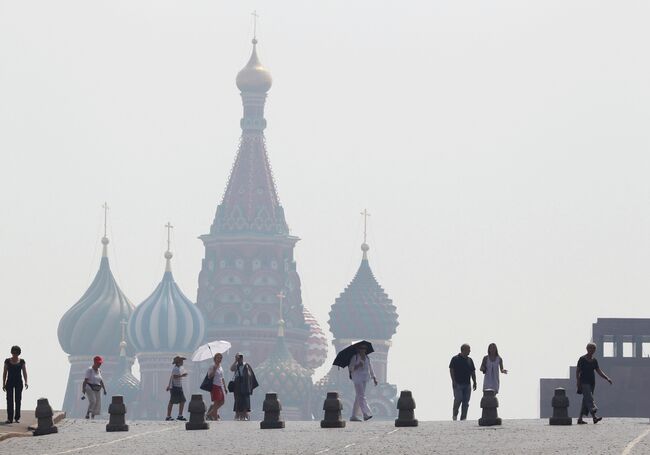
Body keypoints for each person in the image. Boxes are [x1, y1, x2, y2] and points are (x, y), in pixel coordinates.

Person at [576, 342, 613, 424]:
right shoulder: (582, 359)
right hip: (584, 382)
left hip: (592, 382)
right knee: (589, 398)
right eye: (590, 348)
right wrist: (578, 382)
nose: (592, 350)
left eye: (593, 349)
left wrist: (607, 378)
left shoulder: (594, 361)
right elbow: (577, 371)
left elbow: (599, 371)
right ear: (587, 349)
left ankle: (581, 419)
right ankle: (594, 410)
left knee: (586, 400)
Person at [348, 344, 378, 422]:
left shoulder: (367, 358)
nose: (363, 350)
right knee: (361, 396)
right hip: (357, 379)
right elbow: (351, 368)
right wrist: (357, 365)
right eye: (361, 348)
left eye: (364, 348)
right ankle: (365, 414)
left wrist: (374, 378)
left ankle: (353, 416)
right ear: (358, 349)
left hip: (365, 378)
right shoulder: (355, 357)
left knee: (358, 397)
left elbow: (371, 368)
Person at [449, 343, 477, 421]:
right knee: (458, 399)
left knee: (466, 402)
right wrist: (453, 381)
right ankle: (455, 416)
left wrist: (474, 381)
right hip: (458, 384)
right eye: (468, 349)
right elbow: (451, 370)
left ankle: (463, 418)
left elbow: (472, 371)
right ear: (463, 350)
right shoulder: (455, 359)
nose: (470, 351)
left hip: (467, 384)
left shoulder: (470, 360)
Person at [3, 346, 28, 424]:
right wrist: (3, 384)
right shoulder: (7, 361)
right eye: (13, 353)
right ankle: (9, 418)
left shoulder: (22, 362)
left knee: (18, 400)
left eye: (16, 353)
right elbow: (4, 373)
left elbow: (24, 372)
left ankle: (17, 417)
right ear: (11, 352)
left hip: (18, 382)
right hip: (10, 382)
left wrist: (26, 382)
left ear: (18, 353)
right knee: (9, 400)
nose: (15, 355)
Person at [229, 353, 258, 421]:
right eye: (239, 357)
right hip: (237, 384)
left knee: (245, 400)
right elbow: (231, 369)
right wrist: (236, 361)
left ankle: (245, 415)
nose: (240, 358)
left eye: (241, 357)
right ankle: (237, 415)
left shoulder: (246, 365)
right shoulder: (236, 365)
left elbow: (250, 375)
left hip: (245, 384)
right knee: (238, 399)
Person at [166, 355, 188, 421]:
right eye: (181, 361)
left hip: (178, 386)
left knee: (182, 400)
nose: (182, 362)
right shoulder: (176, 369)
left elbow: (172, 377)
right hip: (175, 387)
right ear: (179, 362)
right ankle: (169, 416)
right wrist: (182, 375)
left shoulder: (178, 368)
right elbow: (174, 376)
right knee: (172, 401)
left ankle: (179, 415)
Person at [206, 353, 227, 421]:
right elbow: (209, 376)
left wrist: (225, 387)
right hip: (214, 385)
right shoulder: (212, 366)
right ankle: (215, 418)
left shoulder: (221, 367)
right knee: (216, 402)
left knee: (222, 401)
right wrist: (214, 370)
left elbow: (222, 378)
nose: (219, 359)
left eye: (220, 358)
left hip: (220, 386)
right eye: (218, 358)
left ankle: (209, 414)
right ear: (215, 359)